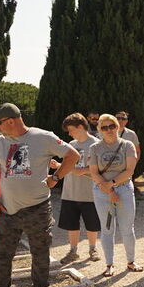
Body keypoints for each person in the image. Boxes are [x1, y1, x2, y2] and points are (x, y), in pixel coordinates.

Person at [0, 103, 80, 287]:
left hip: (37, 209)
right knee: (1, 254)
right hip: (6, 210)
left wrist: (56, 177)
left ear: (11, 121)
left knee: (40, 253)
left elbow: (73, 155)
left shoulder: (43, 137)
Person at [88, 113, 141, 277]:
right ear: (99, 130)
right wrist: (109, 190)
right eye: (104, 127)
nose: (109, 130)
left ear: (118, 126)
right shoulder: (94, 148)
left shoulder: (127, 145)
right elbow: (93, 172)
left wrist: (112, 185)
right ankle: (109, 264)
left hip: (123, 188)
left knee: (127, 228)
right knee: (107, 228)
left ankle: (131, 261)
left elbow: (130, 170)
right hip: (102, 190)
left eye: (112, 126)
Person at [51, 113, 101, 265]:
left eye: (71, 130)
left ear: (80, 127)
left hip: (90, 193)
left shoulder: (96, 144)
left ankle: (93, 249)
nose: (69, 133)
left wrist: (83, 170)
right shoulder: (71, 144)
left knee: (92, 224)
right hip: (70, 192)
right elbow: (69, 167)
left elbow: (102, 168)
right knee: (71, 224)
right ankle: (73, 251)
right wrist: (58, 166)